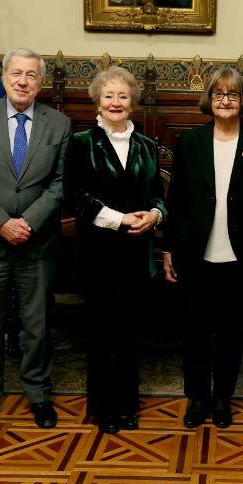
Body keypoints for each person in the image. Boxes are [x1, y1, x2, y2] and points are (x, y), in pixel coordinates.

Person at [0, 48, 71, 433]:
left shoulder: (60, 124)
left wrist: (29, 223)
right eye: (16, 73)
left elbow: (59, 184)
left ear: (41, 82)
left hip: (37, 246)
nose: (23, 81)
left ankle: (38, 394)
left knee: (37, 326)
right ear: (3, 78)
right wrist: (2, 223)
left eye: (32, 75)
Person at [162, 67, 243, 430]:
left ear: (242, 100)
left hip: (239, 256)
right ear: (208, 100)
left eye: (231, 94)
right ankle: (197, 398)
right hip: (194, 253)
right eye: (217, 94)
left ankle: (223, 398)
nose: (224, 100)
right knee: (194, 331)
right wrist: (167, 250)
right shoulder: (190, 142)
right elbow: (176, 200)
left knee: (231, 333)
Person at [64, 66, 167, 434]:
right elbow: (75, 198)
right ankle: (103, 407)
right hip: (98, 255)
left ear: (133, 102)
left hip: (137, 255)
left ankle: (126, 405)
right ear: (97, 100)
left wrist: (154, 216)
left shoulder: (147, 145)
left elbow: (158, 193)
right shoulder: (80, 144)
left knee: (128, 333)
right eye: (109, 96)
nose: (116, 102)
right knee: (100, 333)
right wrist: (121, 219)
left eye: (123, 96)